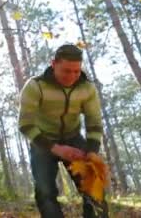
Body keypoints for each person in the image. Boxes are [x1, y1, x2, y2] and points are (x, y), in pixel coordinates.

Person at [19, 43, 108, 218]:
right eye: (67, 71)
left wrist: (91, 151)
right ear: (53, 64)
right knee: (45, 192)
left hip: (73, 138)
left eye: (76, 71)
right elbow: (25, 124)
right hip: (43, 141)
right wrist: (57, 149)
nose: (72, 76)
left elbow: (94, 123)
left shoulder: (87, 88)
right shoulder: (35, 86)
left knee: (94, 188)